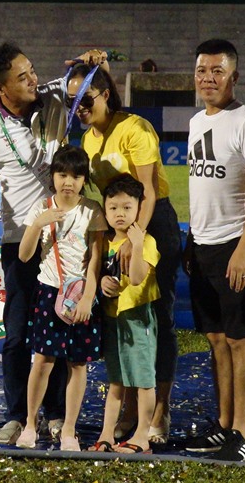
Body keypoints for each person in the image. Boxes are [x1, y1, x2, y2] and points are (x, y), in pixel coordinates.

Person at [0, 43, 106, 445]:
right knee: (18, 333)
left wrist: (95, 62)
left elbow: (85, 80)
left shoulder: (54, 97)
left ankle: (58, 413)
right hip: (21, 240)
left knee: (61, 327)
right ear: (0, 87)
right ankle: (16, 415)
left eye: (32, 70)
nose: (33, 80)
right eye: (22, 77)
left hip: (67, 239)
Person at [65, 62, 181, 445]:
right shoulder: (88, 141)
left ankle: (158, 412)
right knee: (120, 316)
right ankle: (130, 411)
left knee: (155, 318)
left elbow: (146, 189)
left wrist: (137, 239)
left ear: (106, 94)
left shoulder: (134, 128)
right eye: (75, 104)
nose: (81, 109)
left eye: (87, 100)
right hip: (118, 227)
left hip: (151, 222)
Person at [183, 39, 245, 462]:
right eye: (202, 70)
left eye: (217, 71)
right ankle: (223, 426)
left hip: (236, 243)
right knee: (216, 339)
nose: (208, 78)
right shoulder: (197, 120)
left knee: (239, 339)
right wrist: (190, 239)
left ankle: (244, 433)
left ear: (234, 76)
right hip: (202, 244)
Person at [15, 145, 106, 452]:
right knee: (42, 361)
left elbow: (96, 259)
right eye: (63, 174)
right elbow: (25, 255)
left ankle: (69, 429)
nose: (69, 182)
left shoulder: (92, 210)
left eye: (76, 176)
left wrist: (87, 299)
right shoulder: (40, 207)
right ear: (52, 176)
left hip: (82, 296)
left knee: (78, 364)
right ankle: (30, 424)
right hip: (49, 292)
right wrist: (39, 223)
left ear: (84, 180)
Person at [89, 174, 161, 455]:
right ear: (105, 209)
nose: (120, 214)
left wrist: (138, 242)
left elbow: (138, 277)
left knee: (143, 380)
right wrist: (102, 286)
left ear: (138, 209)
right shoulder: (103, 242)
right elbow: (97, 276)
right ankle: (107, 433)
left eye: (127, 207)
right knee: (116, 381)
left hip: (137, 318)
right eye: (113, 207)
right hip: (111, 318)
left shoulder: (148, 241)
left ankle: (142, 435)